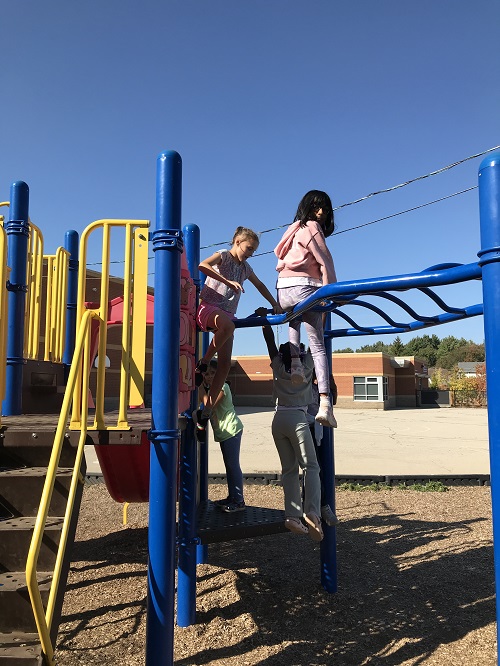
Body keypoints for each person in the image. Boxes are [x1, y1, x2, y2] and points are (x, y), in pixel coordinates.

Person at [196, 226, 283, 424]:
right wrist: (226, 281)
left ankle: (206, 410)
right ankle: (204, 361)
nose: (250, 254)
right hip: (209, 308)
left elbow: (259, 284)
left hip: (227, 316)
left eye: (253, 251)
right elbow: (203, 265)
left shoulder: (245, 268)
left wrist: (274, 303)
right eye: (249, 248)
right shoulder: (224, 255)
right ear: (237, 242)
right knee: (228, 326)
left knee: (225, 364)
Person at [274, 190, 337, 428]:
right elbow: (325, 260)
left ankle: (296, 364)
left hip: (284, 290)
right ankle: (325, 404)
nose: (320, 213)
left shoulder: (291, 230)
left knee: (294, 317)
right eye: (317, 208)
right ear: (308, 208)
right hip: (303, 287)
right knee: (318, 346)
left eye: (324, 210)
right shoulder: (312, 228)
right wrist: (330, 293)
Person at [262, 324, 324, 542]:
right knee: (311, 466)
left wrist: (265, 322)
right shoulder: (306, 365)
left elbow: (270, 342)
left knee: (289, 470)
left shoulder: (278, 366)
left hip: (278, 420)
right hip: (298, 418)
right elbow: (317, 342)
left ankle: (292, 516)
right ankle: (313, 513)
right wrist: (318, 318)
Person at [196, 360, 245, 513]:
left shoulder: (223, 387)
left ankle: (239, 500)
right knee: (229, 466)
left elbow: (208, 404)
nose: (209, 377)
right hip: (224, 432)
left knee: (232, 465)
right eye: (207, 373)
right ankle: (232, 496)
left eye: (213, 373)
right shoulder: (210, 388)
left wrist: (198, 388)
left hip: (231, 430)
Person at [306, 369, 339, 526]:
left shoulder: (318, 390)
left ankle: (316, 504)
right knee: (313, 468)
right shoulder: (300, 387)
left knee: (317, 468)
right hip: (303, 428)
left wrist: (332, 386)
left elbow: (332, 402)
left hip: (316, 428)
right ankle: (319, 506)